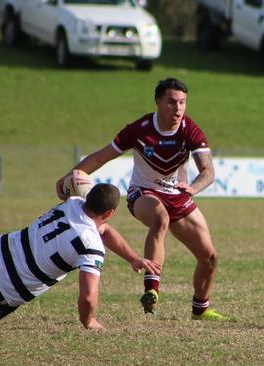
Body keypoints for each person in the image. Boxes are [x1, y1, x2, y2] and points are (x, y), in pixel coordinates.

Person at [56, 78, 224, 320]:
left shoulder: (190, 130)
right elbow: (101, 157)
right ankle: (152, 290)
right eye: (171, 102)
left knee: (210, 257)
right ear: (157, 102)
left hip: (179, 195)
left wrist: (194, 188)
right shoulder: (139, 129)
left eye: (183, 103)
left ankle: (200, 309)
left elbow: (208, 171)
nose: (178, 109)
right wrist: (68, 176)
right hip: (143, 193)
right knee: (160, 218)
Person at [0, 183, 161, 329]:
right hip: (1, 286)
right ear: (110, 212)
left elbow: (103, 230)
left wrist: (132, 258)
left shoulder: (72, 203)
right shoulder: (90, 245)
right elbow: (88, 295)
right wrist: (89, 321)